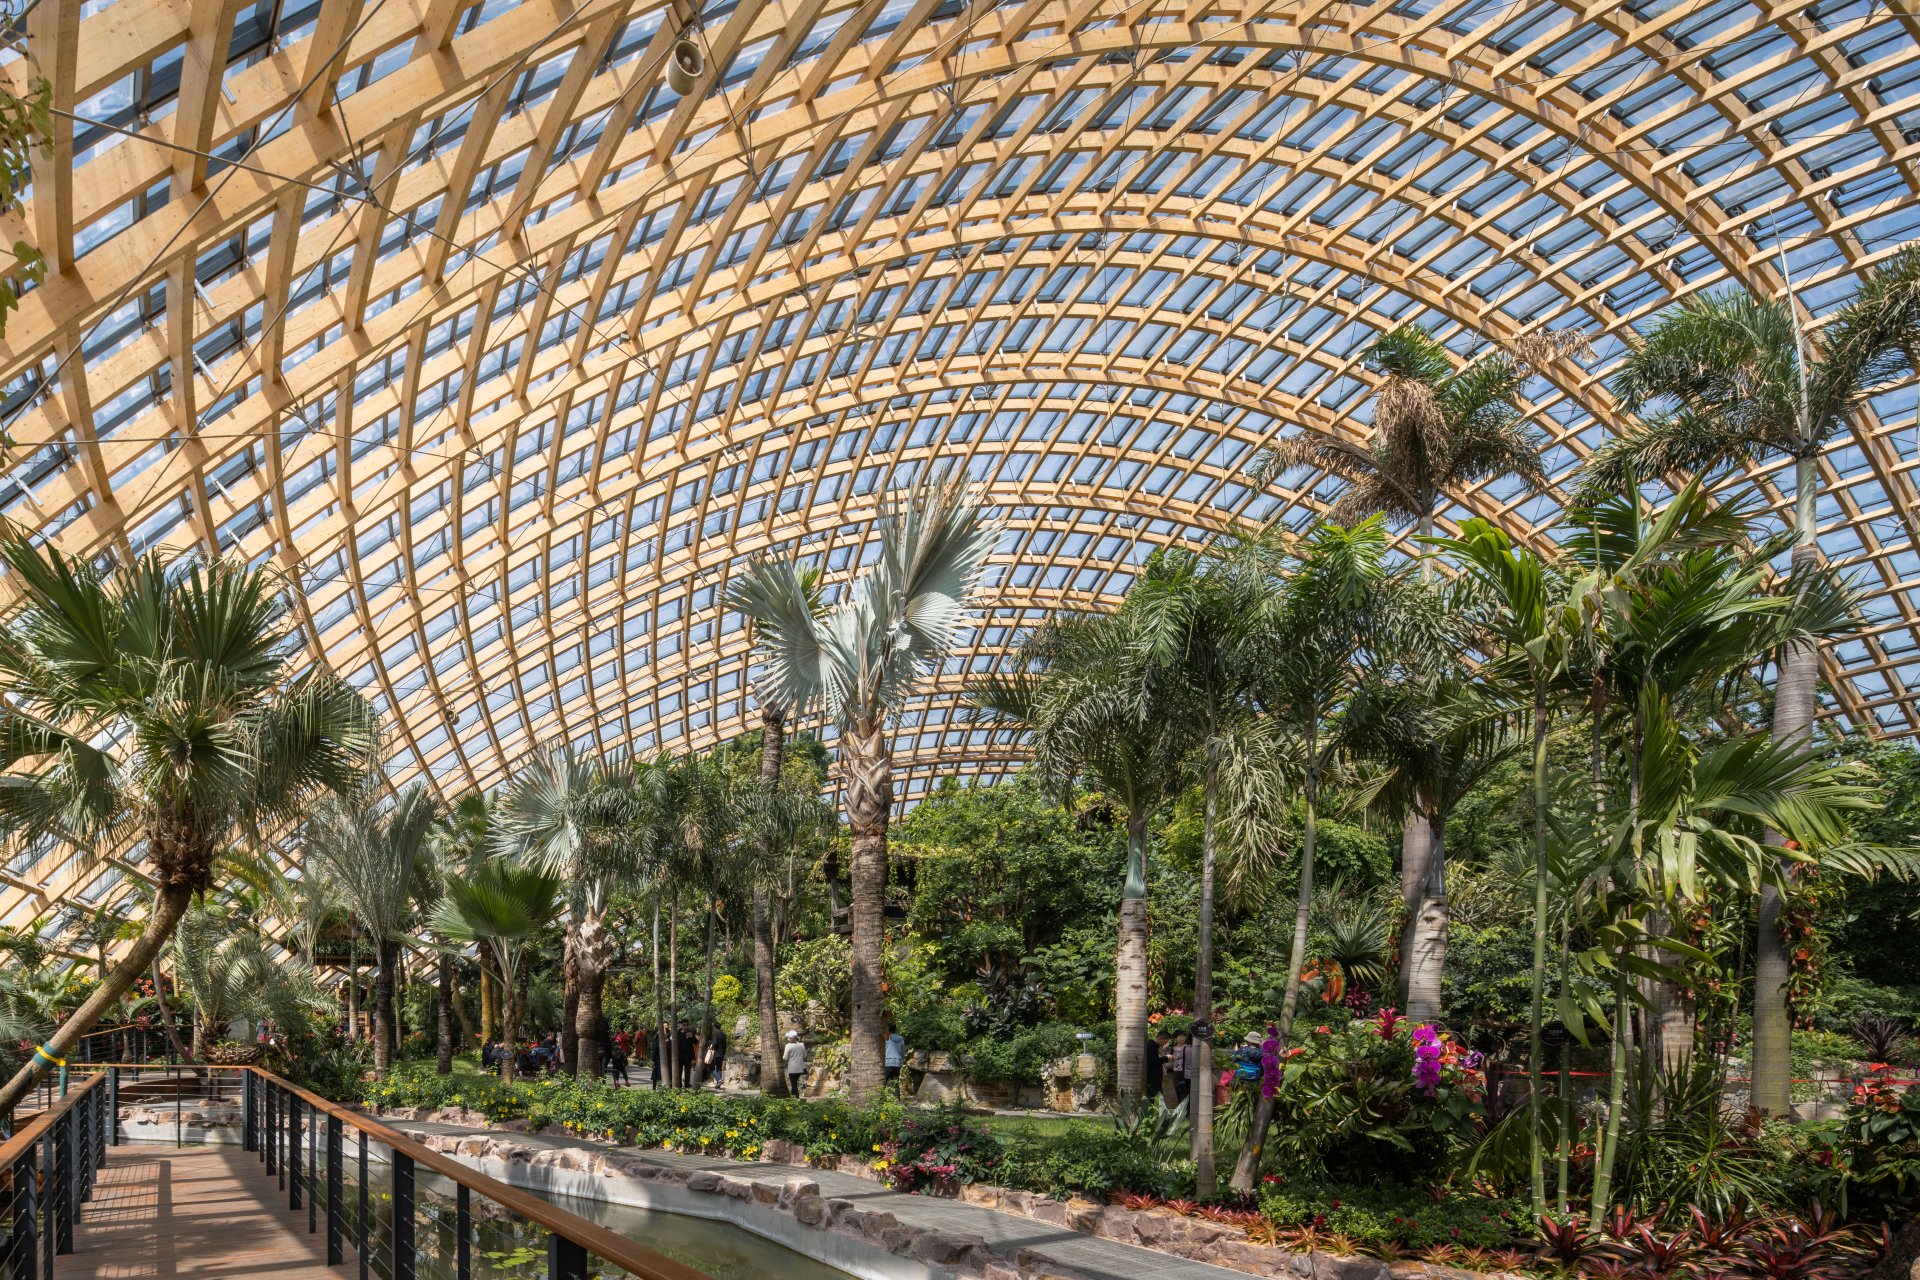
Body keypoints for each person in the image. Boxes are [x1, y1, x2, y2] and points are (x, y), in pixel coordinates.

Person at [782, 1030, 808, 1097]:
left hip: (792, 1069)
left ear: (792, 1038)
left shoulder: (788, 1046)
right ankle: (797, 1096)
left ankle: (795, 1097)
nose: (788, 1039)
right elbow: (805, 1055)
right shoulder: (801, 1045)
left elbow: (785, 1058)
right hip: (800, 1068)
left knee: (793, 1083)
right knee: (797, 1083)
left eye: (789, 1038)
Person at [702, 1023, 729, 1088]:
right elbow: (725, 1045)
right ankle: (718, 1085)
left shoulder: (715, 1033)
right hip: (721, 1053)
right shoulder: (723, 1034)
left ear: (714, 1027)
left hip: (715, 1054)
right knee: (719, 1068)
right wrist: (724, 1053)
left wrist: (710, 1048)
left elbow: (714, 1043)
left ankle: (719, 1080)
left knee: (710, 1068)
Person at [1170, 1032, 1192, 1108]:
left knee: (1186, 1091)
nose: (1182, 1038)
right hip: (1176, 1072)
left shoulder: (1188, 1047)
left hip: (1186, 1072)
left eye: (1183, 1036)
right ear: (1175, 1038)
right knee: (1178, 1090)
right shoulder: (1172, 1048)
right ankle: (1180, 1108)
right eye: (1180, 1036)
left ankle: (1188, 1109)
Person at [1145, 1029, 1167, 1102]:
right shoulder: (1151, 1046)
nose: (1165, 1043)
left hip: (1155, 1079)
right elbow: (1153, 1062)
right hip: (1152, 1080)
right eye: (1165, 1041)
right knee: (1156, 1101)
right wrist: (1165, 1058)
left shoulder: (1154, 1046)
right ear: (1161, 1038)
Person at [884, 1025, 906, 1089]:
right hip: (897, 1063)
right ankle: (896, 1098)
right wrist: (902, 1060)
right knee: (895, 1083)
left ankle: (882, 1097)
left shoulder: (887, 1037)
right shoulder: (901, 1038)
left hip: (888, 1062)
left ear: (889, 1030)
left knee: (883, 1082)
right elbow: (903, 1051)